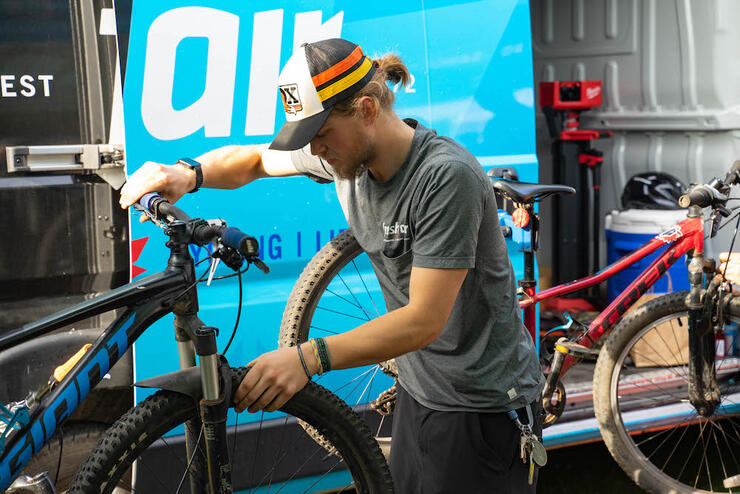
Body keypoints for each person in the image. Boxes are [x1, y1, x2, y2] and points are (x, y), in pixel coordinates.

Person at [119, 38, 544, 493]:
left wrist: (308, 357)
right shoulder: (346, 155)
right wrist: (189, 173)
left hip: (483, 409)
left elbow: (424, 320)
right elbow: (256, 160)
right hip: (421, 393)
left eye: (321, 135)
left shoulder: (444, 177)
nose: (315, 150)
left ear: (366, 109)